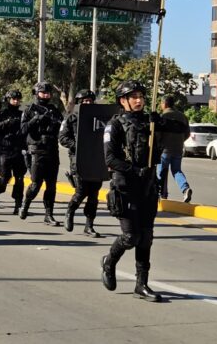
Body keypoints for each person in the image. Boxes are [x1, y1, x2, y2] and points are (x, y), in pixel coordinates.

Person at [100, 80, 187, 302]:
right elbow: (110, 158)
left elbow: (180, 130)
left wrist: (162, 121)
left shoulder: (150, 121)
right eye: (133, 97)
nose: (139, 100)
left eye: (141, 96)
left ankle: (142, 284)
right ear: (123, 100)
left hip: (147, 186)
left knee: (146, 237)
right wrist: (132, 169)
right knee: (130, 236)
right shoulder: (115, 125)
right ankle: (109, 262)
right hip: (126, 185)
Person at [20, 82, 64, 226]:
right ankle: (25, 204)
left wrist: (55, 123)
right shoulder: (29, 110)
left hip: (52, 150)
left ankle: (48, 215)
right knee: (36, 184)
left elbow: (62, 127)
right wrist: (36, 119)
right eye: (43, 92)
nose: (45, 95)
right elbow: (23, 129)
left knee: (51, 186)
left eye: (48, 92)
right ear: (36, 93)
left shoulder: (54, 110)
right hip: (37, 150)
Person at [59, 89, 102, 237]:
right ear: (79, 102)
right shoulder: (71, 117)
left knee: (94, 195)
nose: (87, 103)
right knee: (81, 191)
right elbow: (63, 138)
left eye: (90, 101)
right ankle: (70, 211)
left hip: (96, 159)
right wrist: (78, 145)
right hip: (78, 159)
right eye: (84, 101)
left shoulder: (99, 117)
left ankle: (89, 226)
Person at [0, 90, 27, 215]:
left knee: (20, 178)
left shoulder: (23, 114)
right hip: (4, 151)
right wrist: (6, 123)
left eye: (18, 99)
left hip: (19, 151)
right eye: (13, 99)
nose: (16, 101)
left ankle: (18, 205)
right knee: (5, 177)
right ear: (8, 100)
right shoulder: (2, 114)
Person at [156, 95, 192, 202]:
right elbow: (187, 134)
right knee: (176, 170)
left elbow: (158, 134)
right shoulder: (183, 117)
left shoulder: (163, 116)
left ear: (165, 104)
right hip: (178, 149)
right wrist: (179, 141)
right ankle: (185, 189)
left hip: (165, 149)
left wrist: (158, 144)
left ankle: (159, 193)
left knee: (160, 172)